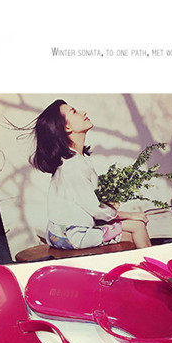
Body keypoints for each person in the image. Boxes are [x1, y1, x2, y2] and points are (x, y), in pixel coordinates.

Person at [31, 99, 151, 250]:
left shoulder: (76, 160)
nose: (83, 113)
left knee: (130, 236)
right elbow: (95, 209)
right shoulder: (73, 166)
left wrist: (110, 206)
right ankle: (156, 265)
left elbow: (88, 201)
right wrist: (129, 215)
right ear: (66, 127)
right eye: (74, 112)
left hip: (63, 233)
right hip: (72, 235)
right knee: (137, 226)